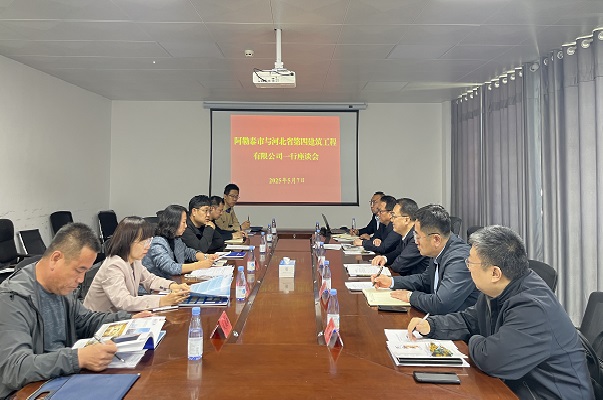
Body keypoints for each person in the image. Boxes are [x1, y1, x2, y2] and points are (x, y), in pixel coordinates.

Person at [407, 226, 594, 399]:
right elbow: (469, 320)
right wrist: (432, 325)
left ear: (495, 273)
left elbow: (492, 359)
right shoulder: (498, 289)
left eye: (470, 262)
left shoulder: (533, 307)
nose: (467, 267)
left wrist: (474, 340)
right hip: (518, 386)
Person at [0, 223, 151, 398]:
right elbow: (14, 368)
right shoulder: (12, 299)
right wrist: (77, 358)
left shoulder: (61, 288)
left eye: (86, 271)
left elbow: (85, 321)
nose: (81, 280)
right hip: (28, 391)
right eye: (79, 270)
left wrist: (127, 320)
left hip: (61, 378)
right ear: (56, 259)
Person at [372, 204, 478, 315]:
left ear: (436, 239)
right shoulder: (440, 249)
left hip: (456, 322)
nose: (415, 241)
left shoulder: (459, 259)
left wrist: (410, 296)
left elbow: (441, 304)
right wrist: (391, 281)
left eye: (418, 236)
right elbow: (425, 280)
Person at [84, 217, 190, 312]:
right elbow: (124, 301)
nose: (148, 246)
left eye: (149, 241)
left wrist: (173, 286)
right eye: (143, 242)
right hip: (99, 322)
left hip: (120, 318)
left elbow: (150, 280)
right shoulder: (113, 266)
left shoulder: (135, 260)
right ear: (128, 241)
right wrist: (162, 301)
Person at [142, 205, 217, 280]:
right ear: (173, 223)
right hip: (157, 285)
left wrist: (205, 257)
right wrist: (198, 265)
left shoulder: (176, 239)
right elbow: (170, 268)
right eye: (183, 222)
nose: (186, 226)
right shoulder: (157, 243)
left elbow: (186, 252)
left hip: (174, 281)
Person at [371, 198, 429, 276]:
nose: (392, 220)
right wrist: (384, 258)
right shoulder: (407, 234)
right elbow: (397, 252)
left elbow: (399, 265)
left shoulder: (417, 237)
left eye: (394, 216)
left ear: (406, 220)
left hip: (417, 282)